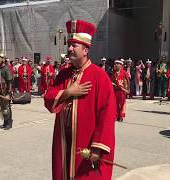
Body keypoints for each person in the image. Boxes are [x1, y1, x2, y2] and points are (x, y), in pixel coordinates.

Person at [44, 19, 116, 180]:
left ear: (85, 50)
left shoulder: (99, 76)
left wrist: (97, 147)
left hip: (86, 141)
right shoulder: (63, 74)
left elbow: (107, 114)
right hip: (63, 140)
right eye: (69, 45)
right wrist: (68, 92)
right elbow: (48, 98)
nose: (69, 49)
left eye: (74, 45)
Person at [0, 54, 13, 130]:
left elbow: (9, 81)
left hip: (6, 91)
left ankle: (9, 122)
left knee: (7, 107)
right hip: (0, 91)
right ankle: (5, 122)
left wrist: (9, 92)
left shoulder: (6, 69)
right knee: (2, 108)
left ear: (3, 59)